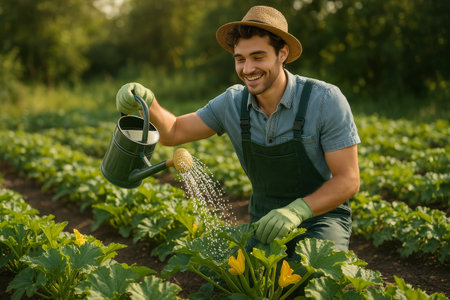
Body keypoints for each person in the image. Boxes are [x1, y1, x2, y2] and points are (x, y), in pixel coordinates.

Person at [116, 5, 360, 255]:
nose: (247, 69)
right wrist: (149, 101)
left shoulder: (324, 100)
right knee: (244, 282)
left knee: (313, 280)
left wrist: (298, 210)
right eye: (240, 59)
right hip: (264, 221)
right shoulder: (232, 103)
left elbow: (348, 179)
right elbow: (175, 131)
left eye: (258, 57)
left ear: (282, 53)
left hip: (321, 219)